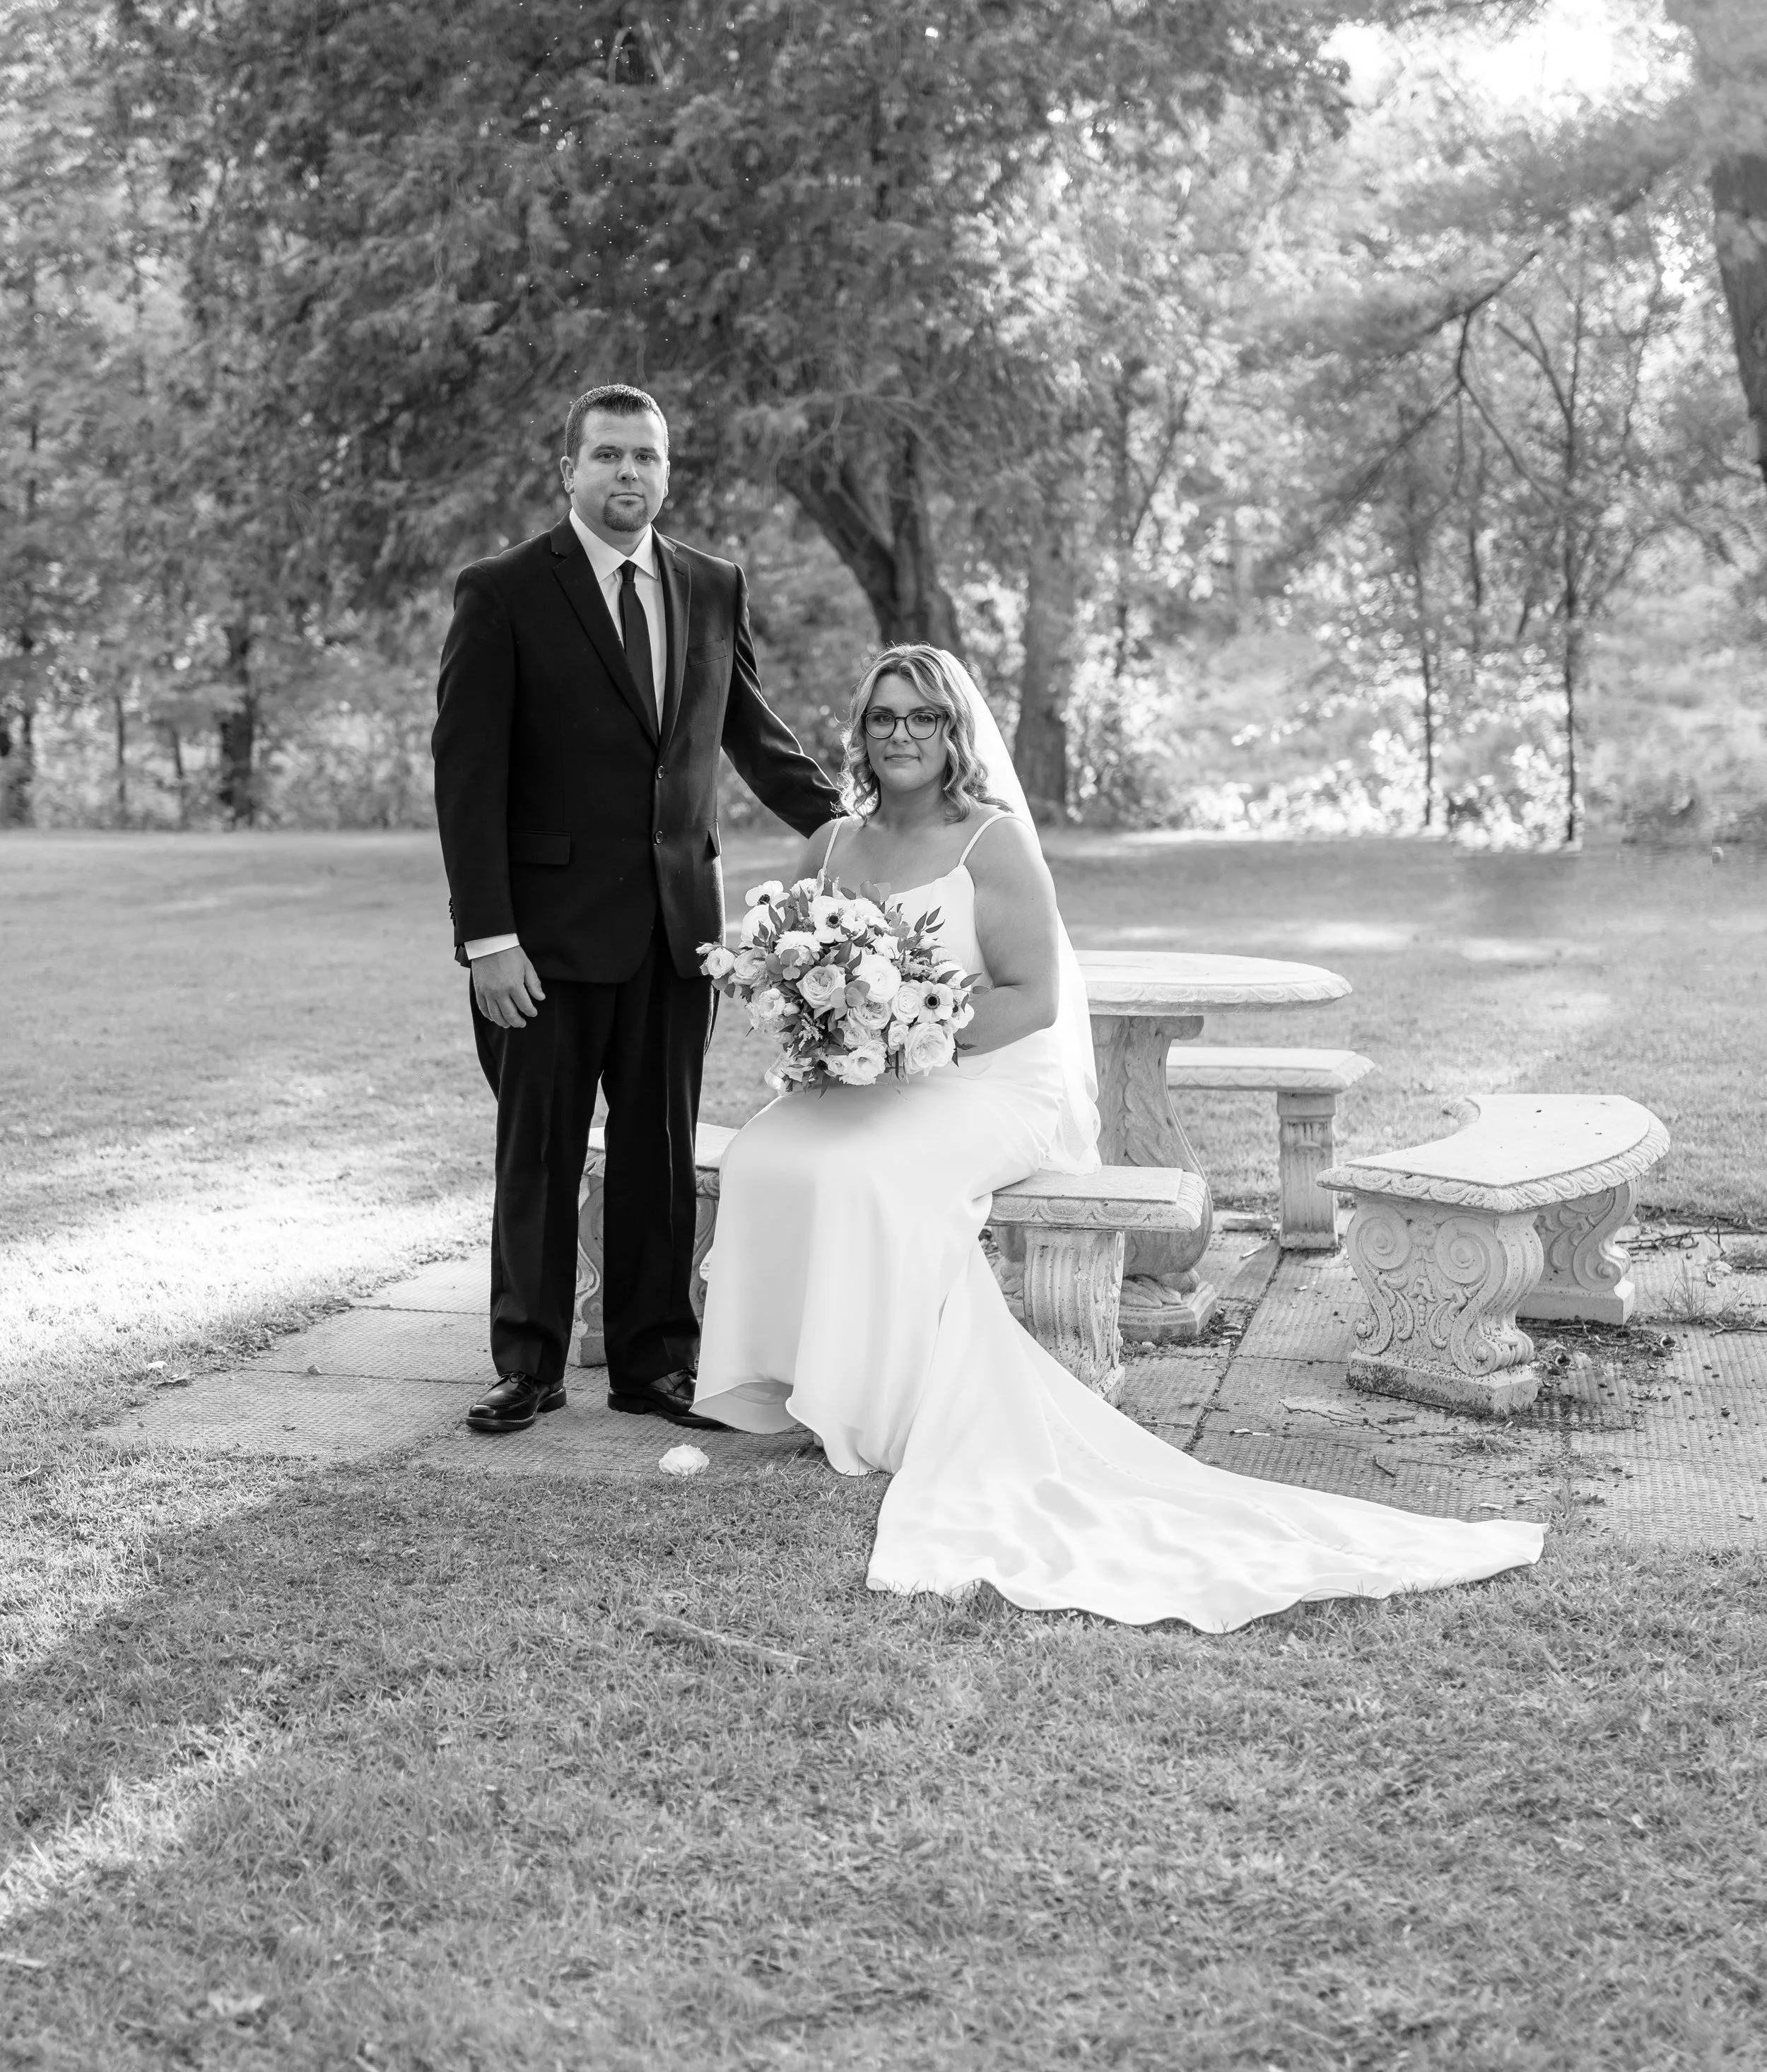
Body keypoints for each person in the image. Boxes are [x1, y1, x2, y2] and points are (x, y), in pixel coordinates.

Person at [693, 646, 1546, 1632]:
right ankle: (788, 1378)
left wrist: (905, 1036)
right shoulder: (833, 843)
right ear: (861, 731)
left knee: (865, 1173)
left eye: (923, 717)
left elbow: (1033, 999)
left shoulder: (993, 843)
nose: (901, 736)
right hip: (871, 1078)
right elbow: (780, 963)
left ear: (953, 732)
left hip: (982, 1082)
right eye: (883, 718)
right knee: (764, 1154)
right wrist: (825, 1025)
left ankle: (869, 1403)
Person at [433, 384, 840, 1435]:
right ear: (568, 470)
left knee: (660, 1153)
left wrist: (859, 826)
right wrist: (489, 938)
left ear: (667, 472)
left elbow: (755, 737)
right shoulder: (503, 591)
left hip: (675, 933)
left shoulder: (713, 585)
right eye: (608, 455)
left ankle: (655, 1363)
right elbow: (467, 781)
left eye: (646, 457)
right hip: (543, 942)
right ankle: (527, 1364)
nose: (628, 473)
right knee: (540, 1154)